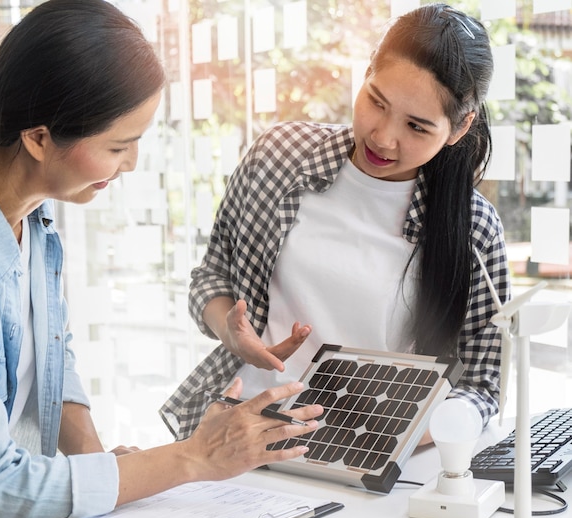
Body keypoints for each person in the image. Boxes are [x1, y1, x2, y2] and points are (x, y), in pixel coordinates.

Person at [0, 0, 322, 518]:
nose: (132, 165)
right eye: (119, 146)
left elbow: (52, 358)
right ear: (40, 138)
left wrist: (99, 464)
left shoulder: (32, 217)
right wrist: (194, 458)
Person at [161, 3, 510, 444]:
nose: (383, 137)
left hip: (370, 451)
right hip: (243, 432)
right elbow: (210, 277)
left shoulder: (473, 227)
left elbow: (481, 384)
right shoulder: (279, 156)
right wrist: (231, 332)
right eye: (376, 102)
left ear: (460, 129)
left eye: (417, 127)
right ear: (364, 76)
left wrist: (399, 439)